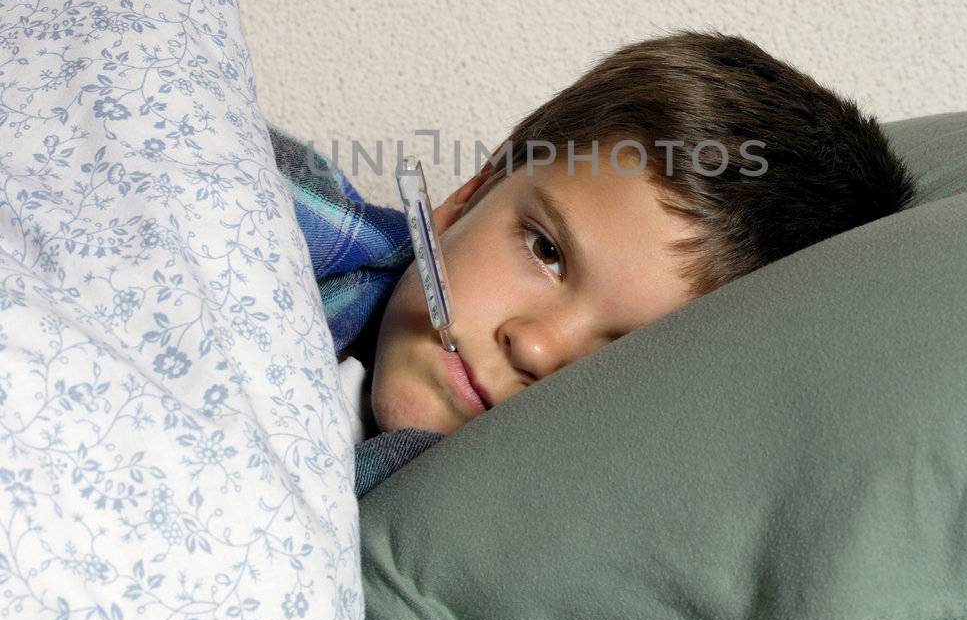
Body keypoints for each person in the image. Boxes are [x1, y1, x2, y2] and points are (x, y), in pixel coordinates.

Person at [269, 29, 915, 495]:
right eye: (546, 252)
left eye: (620, 355)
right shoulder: (268, 210)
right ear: (466, 197)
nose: (538, 349)